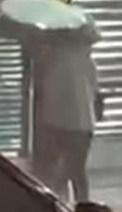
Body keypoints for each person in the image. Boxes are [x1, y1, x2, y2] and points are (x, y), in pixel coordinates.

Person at [33, 38, 101, 203]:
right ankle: (83, 207)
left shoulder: (56, 61)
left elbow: (50, 93)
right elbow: (94, 89)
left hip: (59, 123)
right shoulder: (87, 61)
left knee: (54, 170)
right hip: (84, 124)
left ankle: (58, 205)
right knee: (77, 171)